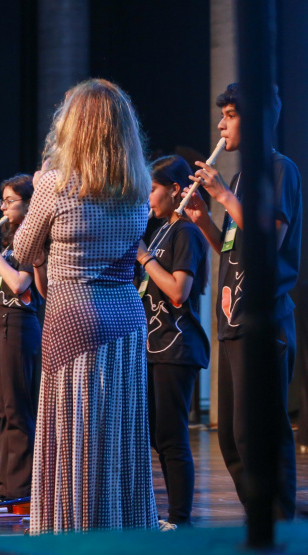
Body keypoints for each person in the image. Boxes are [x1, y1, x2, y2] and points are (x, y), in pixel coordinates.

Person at [13, 78, 157, 533]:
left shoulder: (55, 184)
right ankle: (121, 527)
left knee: (74, 439)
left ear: (71, 128)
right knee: (118, 439)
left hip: (75, 318)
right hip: (128, 319)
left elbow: (20, 251)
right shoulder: (140, 187)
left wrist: (39, 191)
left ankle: (71, 530)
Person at [182, 83, 301, 520]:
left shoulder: (278, 170)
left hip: (264, 323)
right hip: (233, 323)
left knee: (262, 434)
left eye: (230, 114)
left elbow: (271, 241)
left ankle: (280, 524)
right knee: (233, 439)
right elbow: (235, 251)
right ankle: (260, 517)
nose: (220, 124)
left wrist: (223, 198)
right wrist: (202, 223)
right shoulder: (239, 179)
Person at [136, 155, 210, 530]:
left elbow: (179, 292)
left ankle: (181, 520)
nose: (147, 197)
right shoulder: (159, 229)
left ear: (176, 190)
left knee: (172, 436)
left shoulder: (186, 233)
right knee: (157, 436)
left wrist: (145, 258)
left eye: (152, 188)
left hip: (176, 347)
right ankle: (167, 516)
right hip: (153, 346)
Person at [0, 174, 41, 501]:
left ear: (29, 204)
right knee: (3, 410)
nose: (2, 206)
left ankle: (21, 489)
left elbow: (19, 285)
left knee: (18, 409)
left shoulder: (34, 239)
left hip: (19, 324)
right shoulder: (9, 240)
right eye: (2, 200)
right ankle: (6, 488)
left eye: (10, 200)